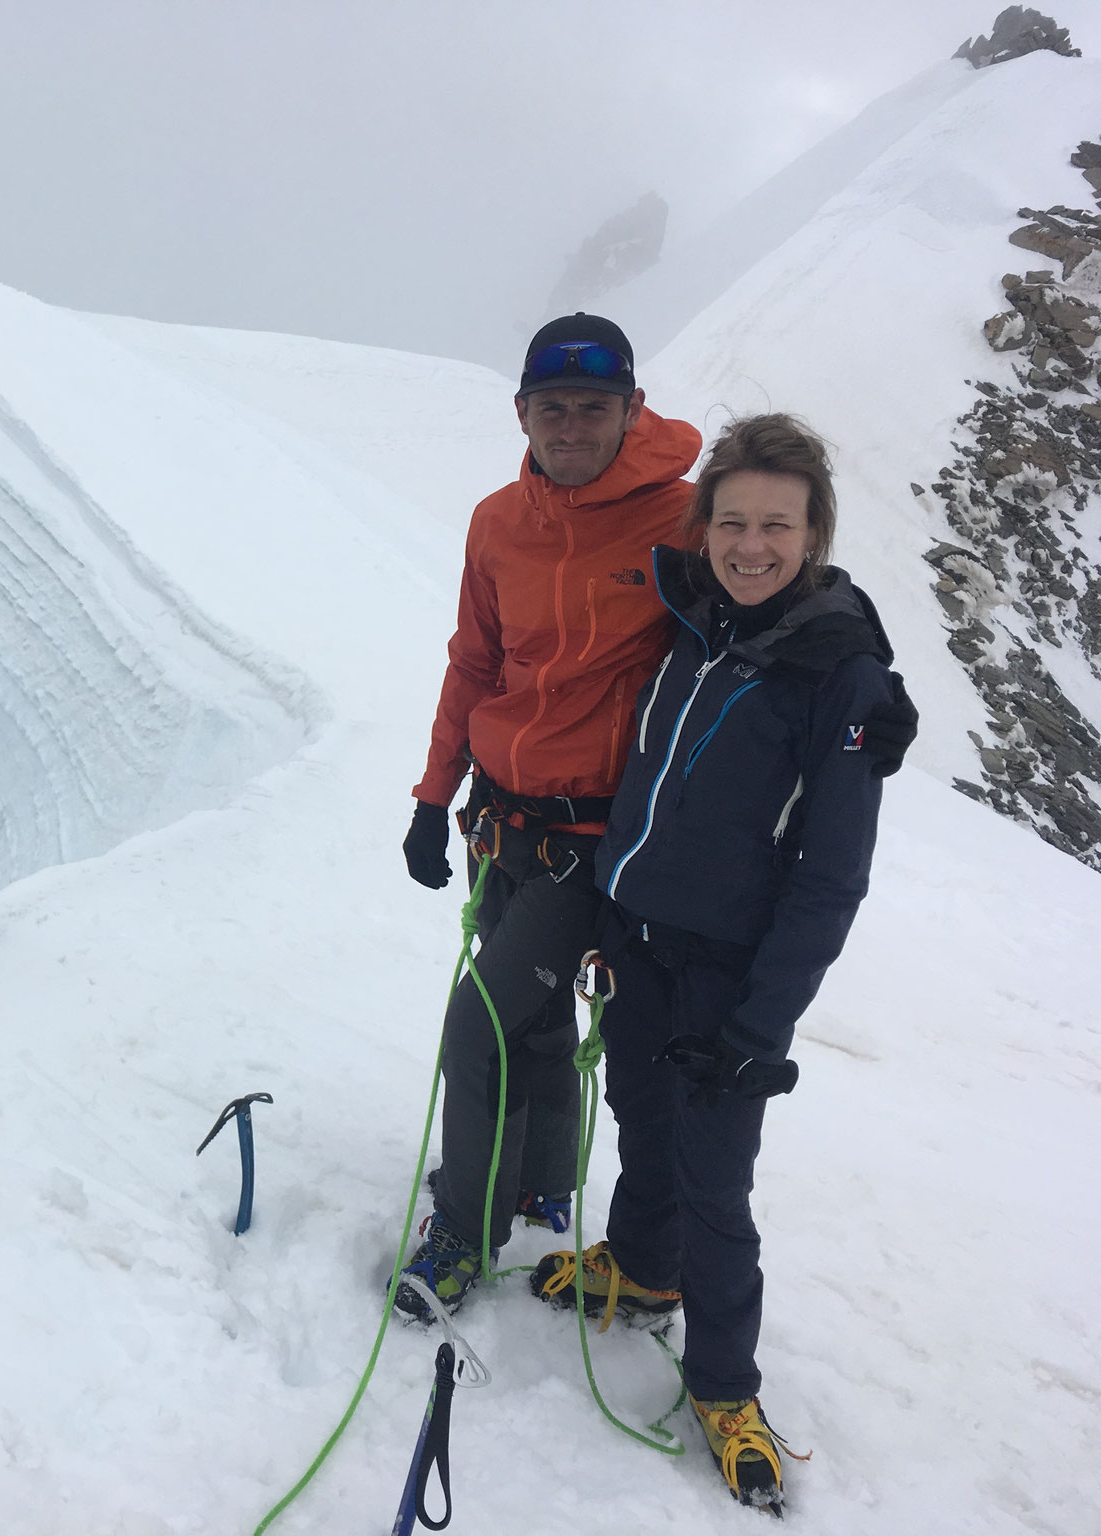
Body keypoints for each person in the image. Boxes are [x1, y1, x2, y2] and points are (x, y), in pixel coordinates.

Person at [528, 414, 897, 1512]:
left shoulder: (840, 676)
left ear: (813, 532)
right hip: (639, 938)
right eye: (730, 521)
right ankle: (640, 1270)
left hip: (729, 974)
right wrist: (609, 915)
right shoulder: (694, 623)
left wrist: (758, 1028)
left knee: (713, 1184)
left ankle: (724, 1384)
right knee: (641, 1115)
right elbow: (646, 783)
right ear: (703, 526)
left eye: (773, 525)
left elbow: (831, 876)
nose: (748, 544)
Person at [393, 313, 704, 1321]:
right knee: (528, 1020)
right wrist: (432, 799)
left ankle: (461, 1231)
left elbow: (762, 608)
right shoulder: (497, 521)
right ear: (521, 411)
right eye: (552, 406)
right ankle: (534, 1184)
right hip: (500, 820)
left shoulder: (681, 519)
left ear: (630, 410)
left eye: (593, 406)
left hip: (590, 840)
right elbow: (473, 663)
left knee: (478, 1019)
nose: (572, 425)